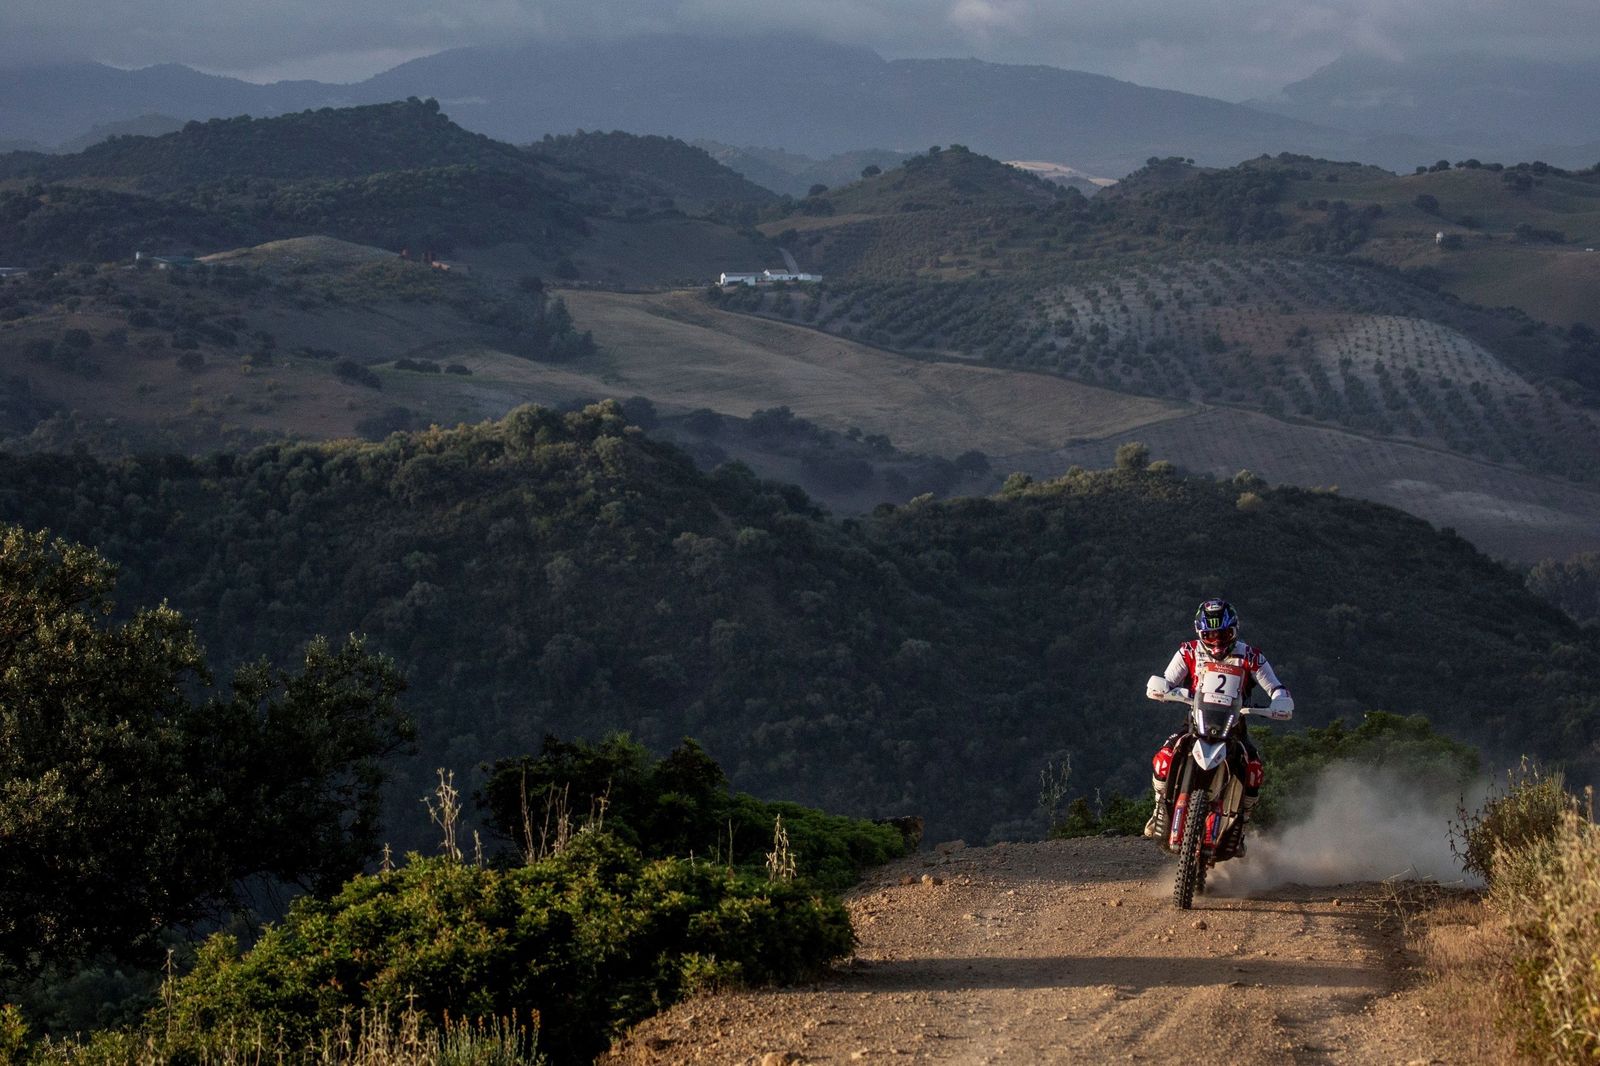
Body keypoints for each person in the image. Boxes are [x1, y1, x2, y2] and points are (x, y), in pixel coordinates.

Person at [1142, 599, 1293, 848]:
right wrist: (1162, 689)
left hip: (1234, 726)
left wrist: (1280, 702)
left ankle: (1241, 825)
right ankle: (1159, 807)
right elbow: (1168, 679)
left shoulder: (1251, 656)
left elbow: (1275, 686)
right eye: (1210, 635)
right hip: (1196, 720)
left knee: (1254, 771)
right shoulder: (1188, 651)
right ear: (1200, 633)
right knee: (1164, 757)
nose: (1216, 641)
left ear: (1234, 630)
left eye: (1223, 634)